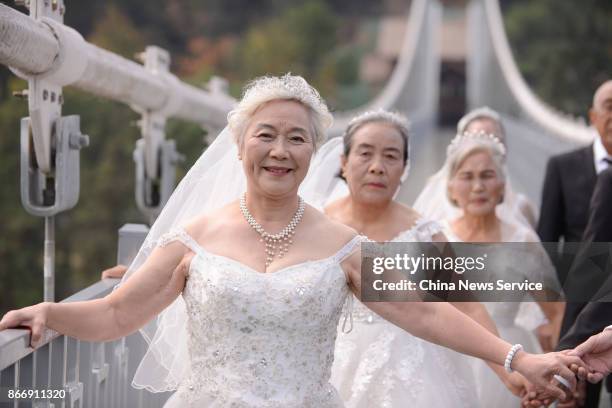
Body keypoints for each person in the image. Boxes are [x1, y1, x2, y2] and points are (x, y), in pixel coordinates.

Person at [0, 75, 585, 406]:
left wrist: (517, 357)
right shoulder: (193, 239)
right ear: (239, 146)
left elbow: (426, 314)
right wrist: (50, 312)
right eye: (267, 136)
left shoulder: (341, 243)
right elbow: (117, 315)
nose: (280, 151)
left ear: (314, 153)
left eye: (297, 139)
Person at [313, 109, 528, 407]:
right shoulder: (313, 225)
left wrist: (507, 370)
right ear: (344, 162)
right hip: (329, 366)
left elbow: (467, 308)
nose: (377, 167)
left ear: (404, 168)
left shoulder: (424, 233)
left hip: (415, 377)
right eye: (365, 153)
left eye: (391, 156)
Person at [439, 130, 565, 407]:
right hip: (449, 358)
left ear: (502, 184)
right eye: (467, 176)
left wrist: (560, 374)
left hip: (515, 360)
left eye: (487, 175)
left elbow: (556, 312)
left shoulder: (522, 241)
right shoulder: (437, 238)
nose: (478, 187)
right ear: (450, 188)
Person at [414, 106, 538, 230]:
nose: (486, 150)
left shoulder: (523, 208)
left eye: (495, 141)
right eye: (477, 141)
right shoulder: (435, 207)